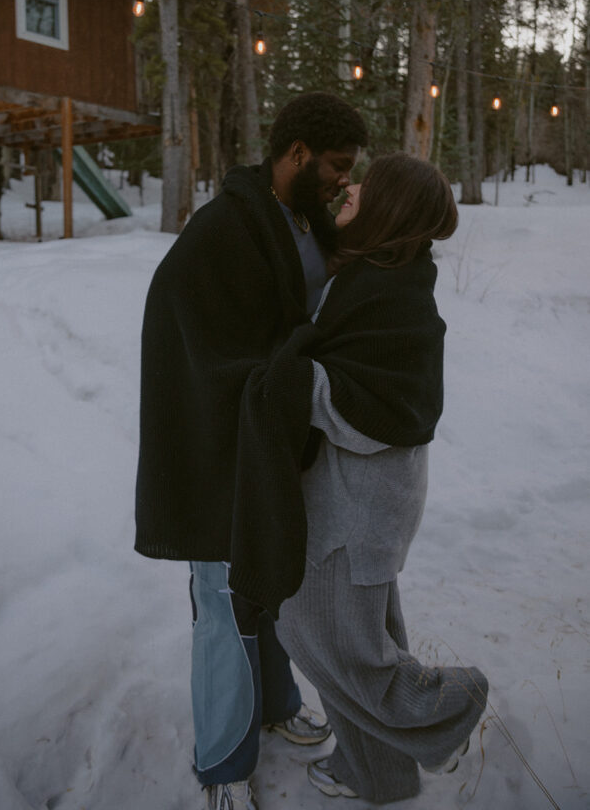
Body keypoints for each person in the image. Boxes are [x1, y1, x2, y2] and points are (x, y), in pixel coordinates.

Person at [134, 92, 368, 810]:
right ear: (293, 153)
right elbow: (189, 336)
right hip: (212, 444)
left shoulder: (299, 219)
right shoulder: (223, 229)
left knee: (265, 582)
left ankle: (273, 702)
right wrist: (274, 375)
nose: (339, 179)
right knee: (221, 601)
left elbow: (303, 309)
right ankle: (222, 764)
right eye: (332, 166)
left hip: (264, 436)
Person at [268, 152, 490, 804]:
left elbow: (385, 412)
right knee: (347, 644)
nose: (350, 187)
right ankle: (378, 774)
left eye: (366, 184)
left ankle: (453, 702)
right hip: (348, 504)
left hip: (356, 514)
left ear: (387, 207)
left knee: (343, 654)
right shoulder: (372, 275)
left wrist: (292, 382)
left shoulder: (398, 301)